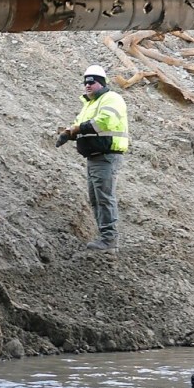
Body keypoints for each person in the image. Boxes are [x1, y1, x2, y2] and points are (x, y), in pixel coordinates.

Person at [55, 65, 129, 251]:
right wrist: (69, 132)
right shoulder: (90, 104)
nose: (87, 85)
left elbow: (104, 121)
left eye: (92, 82)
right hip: (94, 157)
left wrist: (77, 129)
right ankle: (104, 238)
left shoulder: (111, 99)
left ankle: (109, 240)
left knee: (104, 198)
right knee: (96, 198)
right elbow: (80, 124)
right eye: (85, 82)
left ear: (101, 83)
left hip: (106, 156)